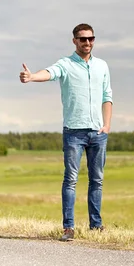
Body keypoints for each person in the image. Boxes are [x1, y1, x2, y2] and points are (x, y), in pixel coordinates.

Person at [19, 23, 113, 241]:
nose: (87, 42)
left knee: (97, 180)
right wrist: (32, 76)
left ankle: (96, 225)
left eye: (90, 38)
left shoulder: (102, 66)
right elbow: (50, 73)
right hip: (74, 132)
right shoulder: (66, 64)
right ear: (74, 41)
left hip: (98, 133)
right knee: (70, 179)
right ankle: (68, 228)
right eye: (82, 39)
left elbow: (107, 97)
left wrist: (106, 126)